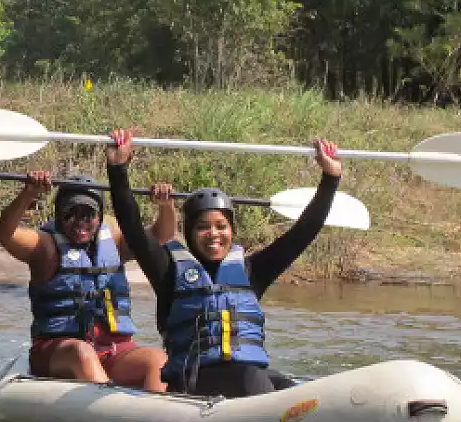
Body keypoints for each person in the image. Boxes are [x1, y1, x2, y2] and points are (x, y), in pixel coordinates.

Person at [105, 129, 343, 398]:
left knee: (289, 387)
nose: (214, 235)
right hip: (193, 381)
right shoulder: (169, 272)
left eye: (221, 226)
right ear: (191, 233)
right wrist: (118, 168)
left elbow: (302, 233)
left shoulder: (252, 271)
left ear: (232, 230)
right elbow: (133, 229)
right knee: (251, 378)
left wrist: (330, 178)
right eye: (203, 228)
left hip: (245, 378)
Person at [0, 171, 173, 388]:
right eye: (71, 213)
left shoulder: (116, 243)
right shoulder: (45, 247)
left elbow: (161, 236)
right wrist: (28, 194)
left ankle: (153, 414)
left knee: (158, 360)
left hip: (113, 349)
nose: (80, 222)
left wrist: (165, 206)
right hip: (60, 350)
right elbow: (5, 233)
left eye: (88, 214)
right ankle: (112, 410)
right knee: (83, 353)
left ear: (99, 217)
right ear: (59, 214)